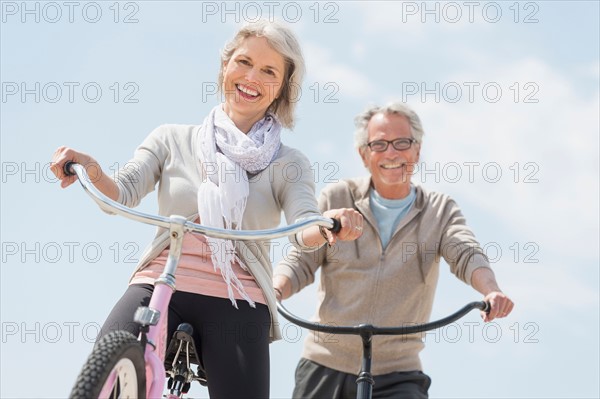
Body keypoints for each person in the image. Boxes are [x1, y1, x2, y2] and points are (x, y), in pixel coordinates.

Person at [50, 20, 362, 398]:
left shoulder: (288, 162)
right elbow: (122, 192)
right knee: (103, 374)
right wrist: (92, 168)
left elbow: (303, 226)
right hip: (161, 281)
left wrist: (330, 225)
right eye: (244, 62)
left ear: (282, 88)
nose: (251, 77)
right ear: (225, 65)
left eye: (268, 71)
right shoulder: (171, 139)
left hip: (238, 297)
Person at [273, 102, 515, 398]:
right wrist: (273, 291)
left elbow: (466, 252)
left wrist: (490, 290)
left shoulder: (439, 211)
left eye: (402, 143)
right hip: (324, 364)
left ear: (417, 150)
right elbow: (301, 260)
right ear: (364, 154)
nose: (391, 153)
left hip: (397, 372)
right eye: (379, 144)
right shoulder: (338, 197)